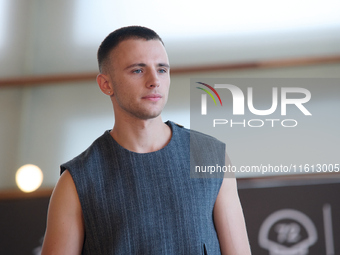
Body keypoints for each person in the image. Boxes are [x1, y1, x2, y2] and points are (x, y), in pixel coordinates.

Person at [41, 26, 251, 255]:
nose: (154, 81)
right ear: (106, 84)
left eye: (162, 69)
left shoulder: (210, 156)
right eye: (138, 71)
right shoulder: (76, 182)